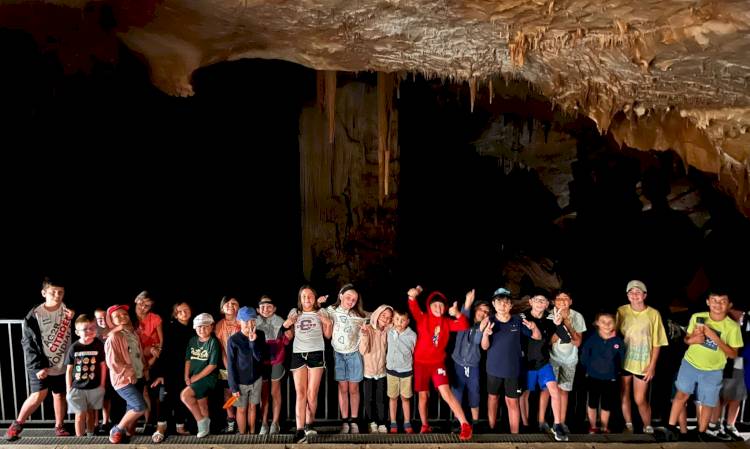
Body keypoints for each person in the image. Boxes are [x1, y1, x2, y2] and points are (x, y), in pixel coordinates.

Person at [666, 291, 743, 441]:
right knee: (681, 394)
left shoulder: (733, 327)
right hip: (690, 364)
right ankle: (670, 427)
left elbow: (733, 354)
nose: (717, 304)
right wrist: (692, 340)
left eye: (722, 301)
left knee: (707, 402)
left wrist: (714, 337)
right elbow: (687, 339)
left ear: (729, 305)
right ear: (708, 302)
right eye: (714, 300)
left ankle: (701, 432)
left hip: (713, 370)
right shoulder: (698, 317)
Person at [5, 276, 74, 441]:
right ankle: (17, 424)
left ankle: (59, 426)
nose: (57, 295)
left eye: (60, 292)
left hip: (61, 362)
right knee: (38, 394)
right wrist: (38, 367)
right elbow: (28, 344)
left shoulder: (68, 311)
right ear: (44, 293)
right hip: (41, 364)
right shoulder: (34, 315)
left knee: (59, 394)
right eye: (53, 292)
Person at [407, 286, 473, 441]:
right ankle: (425, 425)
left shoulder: (447, 322)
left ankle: (465, 425)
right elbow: (413, 305)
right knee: (423, 396)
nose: (438, 308)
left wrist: (457, 313)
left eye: (441, 305)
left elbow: (464, 325)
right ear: (429, 307)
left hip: (437, 364)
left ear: (445, 307)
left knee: (446, 393)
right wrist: (412, 296)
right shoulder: (422, 318)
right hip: (420, 364)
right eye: (435, 305)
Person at [481, 288, 539, 434]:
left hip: (513, 370)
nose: (502, 305)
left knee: (512, 402)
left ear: (511, 305)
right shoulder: (490, 321)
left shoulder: (518, 321)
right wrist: (486, 335)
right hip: (493, 369)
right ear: (494, 304)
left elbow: (536, 337)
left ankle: (515, 434)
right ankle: (492, 429)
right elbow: (484, 347)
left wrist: (534, 327)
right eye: (499, 302)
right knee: (493, 398)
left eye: (506, 302)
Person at [616, 280, 668, 434]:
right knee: (624, 394)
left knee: (640, 399)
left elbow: (657, 342)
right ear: (627, 295)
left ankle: (647, 425)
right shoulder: (621, 311)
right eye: (631, 292)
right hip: (624, 361)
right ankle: (629, 424)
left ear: (645, 295)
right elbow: (614, 334)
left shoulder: (653, 314)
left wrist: (652, 366)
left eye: (638, 292)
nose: (635, 295)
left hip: (643, 363)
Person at [285, 285, 333, 443]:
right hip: (298, 354)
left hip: (316, 353)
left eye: (310, 296)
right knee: (301, 392)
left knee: (312, 393)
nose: (307, 299)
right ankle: (299, 429)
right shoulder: (295, 312)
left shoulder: (321, 312)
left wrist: (328, 323)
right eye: (304, 296)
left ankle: (309, 424)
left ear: (315, 297)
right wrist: (287, 325)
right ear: (300, 298)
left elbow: (327, 335)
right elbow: (289, 335)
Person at [519, 294, 568, 441]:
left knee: (554, 390)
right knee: (524, 394)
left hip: (543, 362)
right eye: (537, 300)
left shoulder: (551, 318)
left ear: (548, 304)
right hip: (526, 364)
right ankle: (526, 425)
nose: (540, 302)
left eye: (543, 300)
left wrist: (559, 324)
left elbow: (566, 338)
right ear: (530, 302)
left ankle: (557, 425)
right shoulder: (522, 317)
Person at [324, 284, 368, 434]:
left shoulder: (359, 316)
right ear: (341, 295)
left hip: (354, 354)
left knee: (354, 389)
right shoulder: (331, 310)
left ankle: (354, 421)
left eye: (354, 300)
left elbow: (374, 317)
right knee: (342, 388)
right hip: (338, 354)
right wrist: (318, 302)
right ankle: (345, 421)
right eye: (348, 297)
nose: (350, 301)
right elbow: (317, 312)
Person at [104, 304, 148, 444]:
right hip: (123, 380)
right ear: (111, 320)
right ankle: (117, 429)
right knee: (139, 407)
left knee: (131, 407)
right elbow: (113, 363)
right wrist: (129, 374)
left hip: (138, 375)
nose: (122, 317)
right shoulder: (113, 337)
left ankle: (127, 434)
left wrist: (145, 367)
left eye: (124, 314)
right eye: (117, 316)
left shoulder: (132, 333)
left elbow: (138, 354)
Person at [543, 292, 585, 434]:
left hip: (570, 359)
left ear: (571, 301)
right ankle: (544, 421)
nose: (562, 301)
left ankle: (561, 422)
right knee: (549, 390)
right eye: (559, 299)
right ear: (554, 302)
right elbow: (548, 341)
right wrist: (559, 325)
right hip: (552, 358)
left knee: (564, 391)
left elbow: (578, 342)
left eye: (566, 298)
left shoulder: (577, 316)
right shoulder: (549, 315)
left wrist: (567, 323)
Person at [580, 312, 625, 434]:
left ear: (615, 324)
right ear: (597, 323)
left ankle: (605, 426)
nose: (607, 325)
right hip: (593, 376)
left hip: (610, 377)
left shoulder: (618, 341)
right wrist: (589, 369)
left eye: (610, 322)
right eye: (603, 322)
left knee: (607, 403)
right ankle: (593, 426)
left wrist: (617, 372)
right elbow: (584, 356)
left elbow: (622, 358)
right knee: (592, 402)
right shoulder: (592, 339)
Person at [451, 290, 490, 426]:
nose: (483, 314)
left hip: (473, 365)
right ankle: (458, 422)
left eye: (486, 312)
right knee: (457, 392)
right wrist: (468, 301)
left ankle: (475, 422)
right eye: (481, 310)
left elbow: (477, 341)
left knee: (475, 392)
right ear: (475, 310)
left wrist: (482, 329)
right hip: (458, 363)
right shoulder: (465, 321)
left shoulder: (485, 327)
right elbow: (465, 312)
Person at [65, 314, 107, 436]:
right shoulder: (74, 347)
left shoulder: (99, 345)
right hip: (77, 387)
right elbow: (69, 370)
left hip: (94, 386)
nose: (89, 331)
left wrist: (102, 385)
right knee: (79, 415)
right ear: (77, 332)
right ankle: (80, 440)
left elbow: (103, 366)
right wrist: (69, 388)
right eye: (84, 329)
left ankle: (90, 436)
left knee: (91, 413)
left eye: (92, 328)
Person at [255, 295, 291, 435]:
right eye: (263, 307)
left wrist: (289, 335)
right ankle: (264, 422)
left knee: (275, 392)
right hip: (261, 360)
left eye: (269, 306)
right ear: (258, 309)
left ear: (274, 308)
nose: (266, 309)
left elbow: (287, 339)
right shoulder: (255, 321)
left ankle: (275, 423)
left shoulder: (281, 320)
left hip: (277, 359)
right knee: (263, 394)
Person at [227, 307, 266, 434]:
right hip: (240, 381)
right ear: (239, 322)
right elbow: (231, 365)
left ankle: (253, 434)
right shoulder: (233, 340)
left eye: (253, 320)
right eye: (246, 321)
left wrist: (253, 342)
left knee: (253, 407)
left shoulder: (260, 335)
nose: (250, 324)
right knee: (242, 409)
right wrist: (233, 387)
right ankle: (243, 436)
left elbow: (259, 358)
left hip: (256, 379)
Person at [181, 312, 220, 438]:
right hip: (194, 377)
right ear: (195, 328)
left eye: (205, 326)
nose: (202, 329)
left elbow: (212, 365)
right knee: (202, 403)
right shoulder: (192, 340)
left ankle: (201, 421)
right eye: (199, 327)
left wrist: (195, 378)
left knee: (185, 395)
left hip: (208, 378)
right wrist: (186, 376)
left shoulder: (213, 342)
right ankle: (205, 431)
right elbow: (188, 359)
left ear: (212, 327)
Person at [360, 304, 393, 433]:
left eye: (389, 317)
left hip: (382, 371)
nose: (385, 319)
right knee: (368, 399)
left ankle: (382, 422)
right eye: (383, 315)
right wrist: (364, 335)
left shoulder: (387, 331)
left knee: (381, 399)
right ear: (377, 314)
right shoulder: (367, 329)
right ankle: (371, 422)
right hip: (368, 371)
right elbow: (363, 350)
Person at [133, 291, 163, 433]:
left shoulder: (155, 318)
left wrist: (152, 360)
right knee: (140, 392)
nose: (143, 307)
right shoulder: (128, 318)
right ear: (136, 300)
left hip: (152, 359)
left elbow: (160, 342)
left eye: (147, 306)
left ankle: (151, 421)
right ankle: (138, 422)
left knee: (152, 391)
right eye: (141, 303)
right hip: (134, 360)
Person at [385, 309, 416, 434]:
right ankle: (393, 422)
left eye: (403, 320)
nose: (399, 322)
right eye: (397, 319)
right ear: (393, 319)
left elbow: (413, 351)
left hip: (406, 371)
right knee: (393, 397)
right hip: (391, 370)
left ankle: (407, 421)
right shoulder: (389, 331)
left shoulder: (412, 335)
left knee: (405, 398)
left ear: (407, 322)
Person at [214, 296, 241, 433]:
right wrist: (228, 367)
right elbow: (222, 350)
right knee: (227, 393)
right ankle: (231, 421)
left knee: (243, 393)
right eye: (227, 304)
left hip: (243, 365)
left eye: (234, 303)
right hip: (226, 365)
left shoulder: (243, 322)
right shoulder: (218, 325)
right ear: (222, 308)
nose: (230, 306)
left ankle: (244, 421)